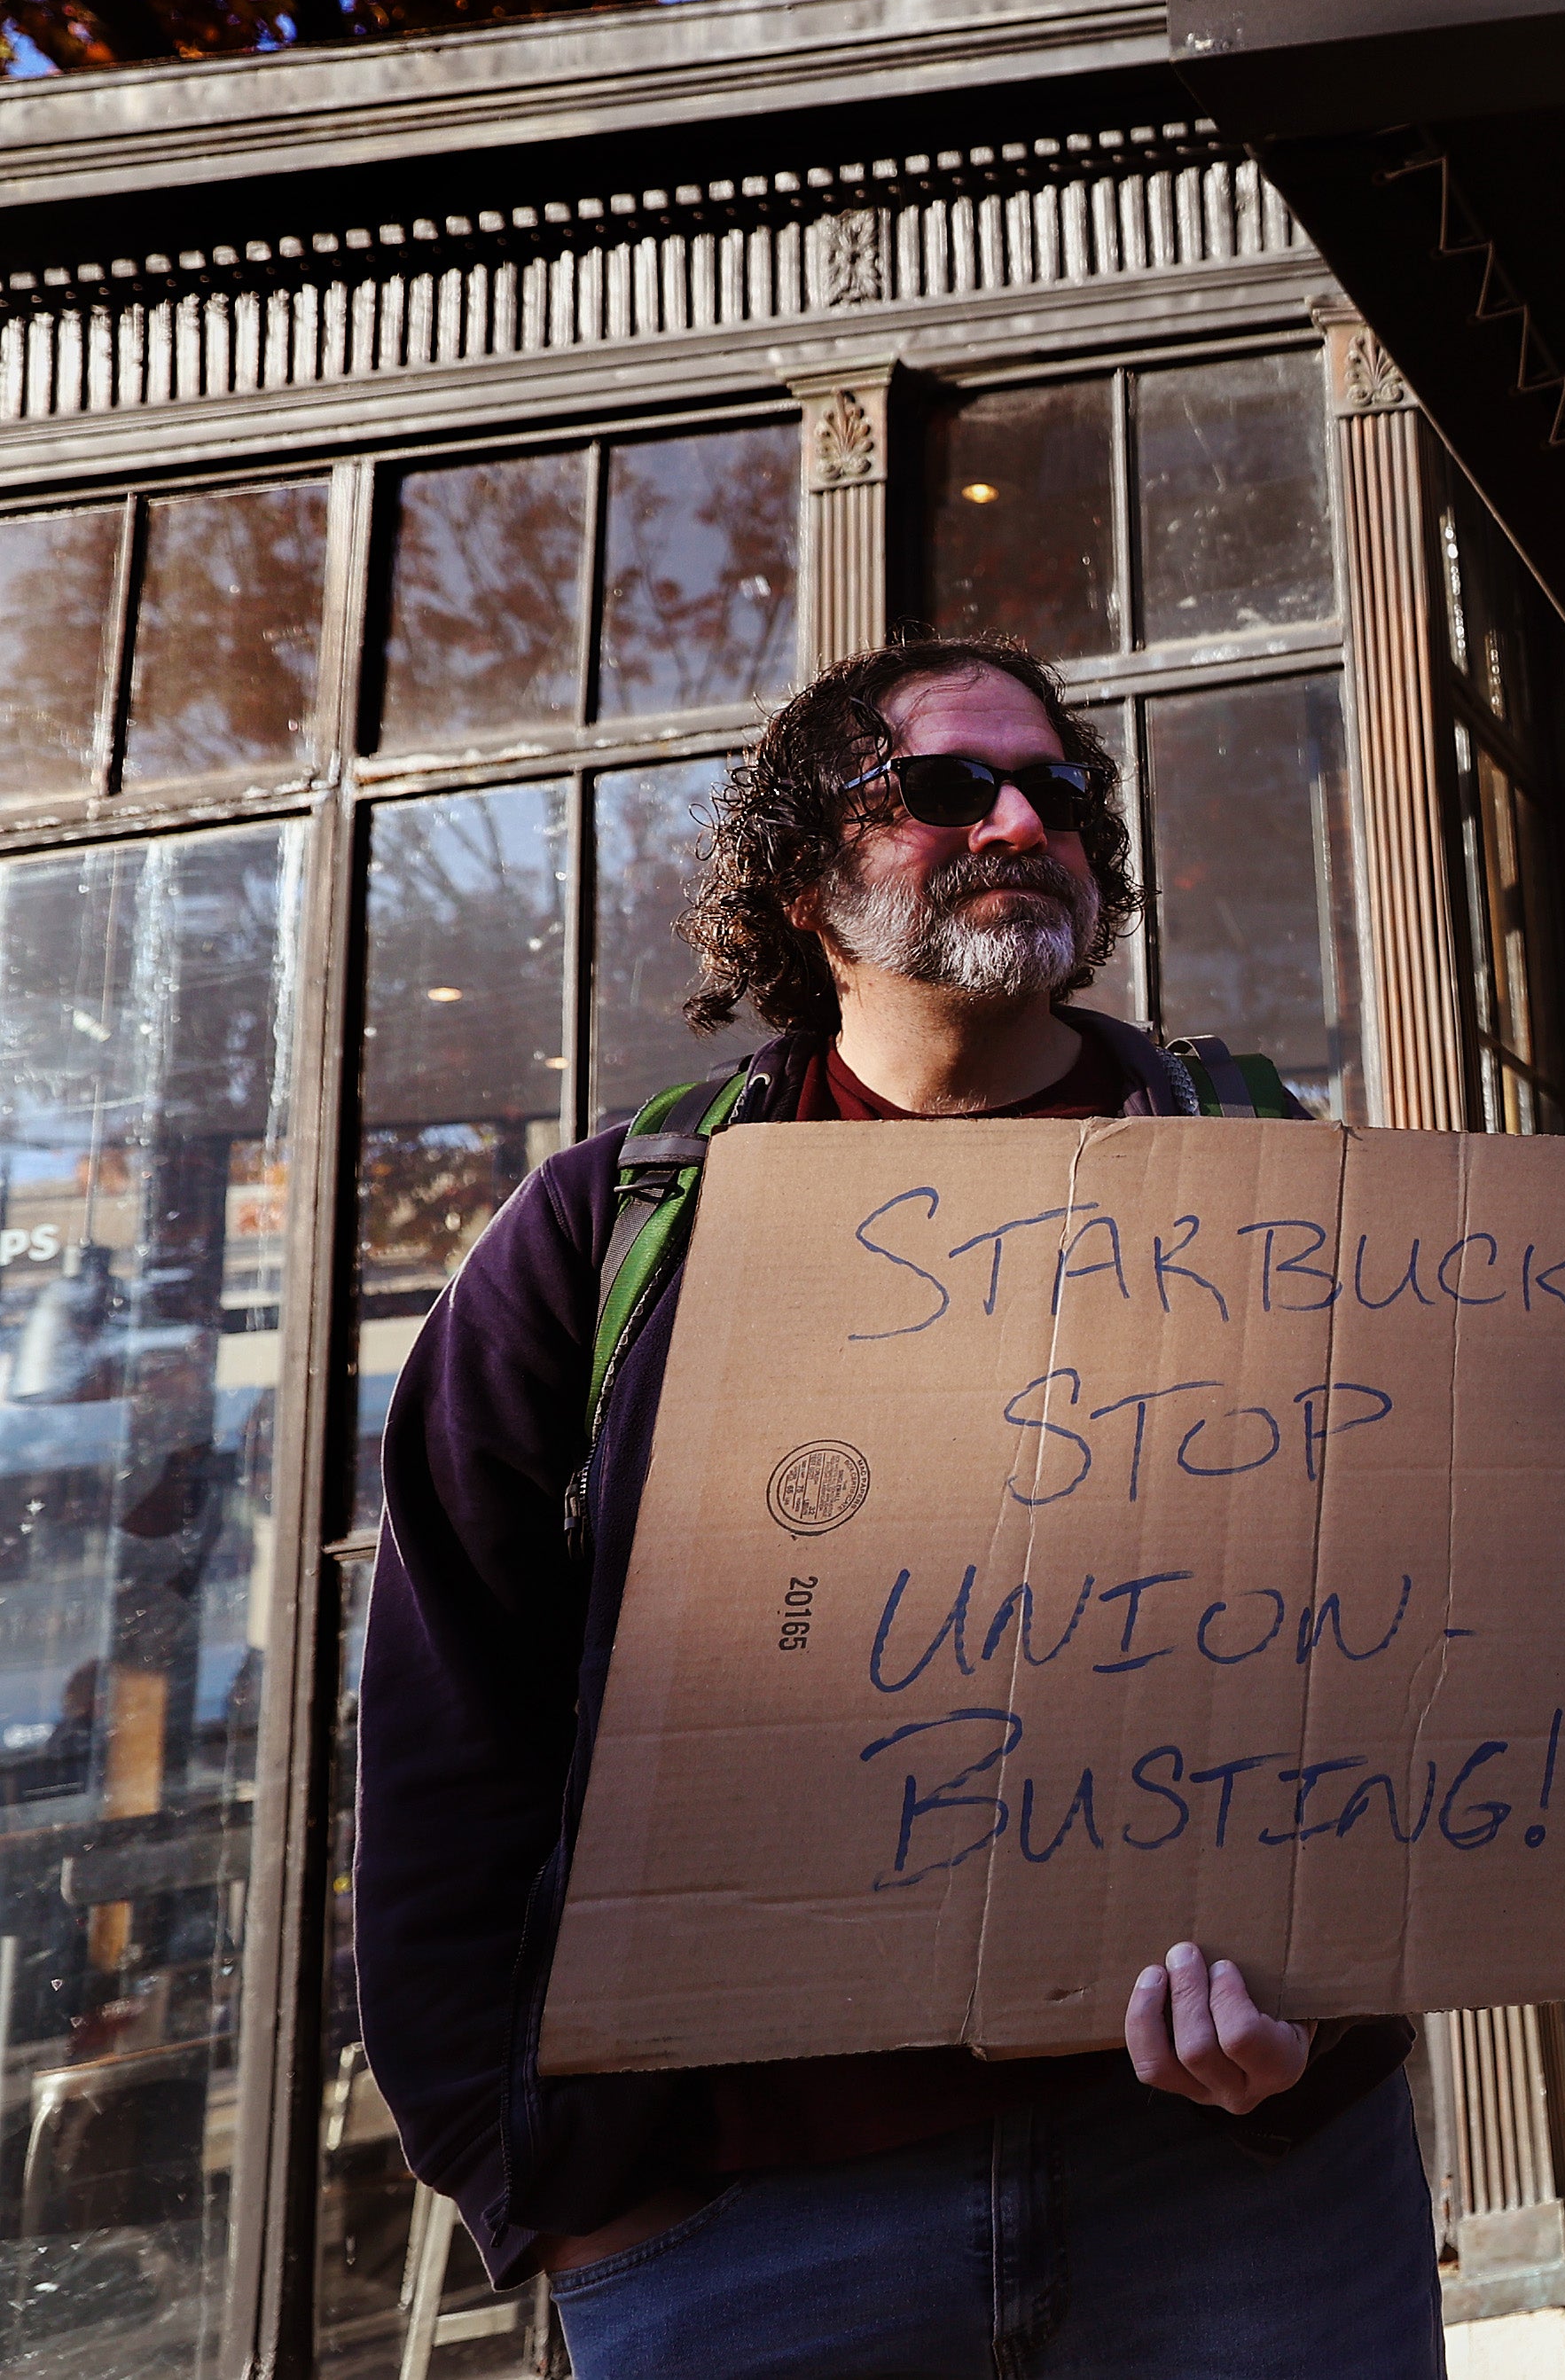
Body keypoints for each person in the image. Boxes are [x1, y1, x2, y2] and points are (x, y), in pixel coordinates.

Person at [354, 640, 1441, 2379]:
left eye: (1061, 792)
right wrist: (541, 2187)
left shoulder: (1265, 1172)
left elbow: (1396, 1615)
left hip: (1237, 2186)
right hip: (751, 2225)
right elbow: (447, 1714)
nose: (1023, 818)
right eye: (946, 787)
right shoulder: (611, 1228)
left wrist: (1326, 2017)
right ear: (802, 876)